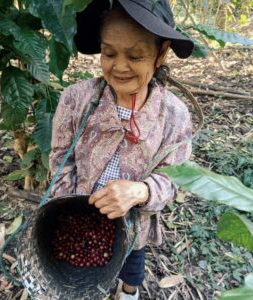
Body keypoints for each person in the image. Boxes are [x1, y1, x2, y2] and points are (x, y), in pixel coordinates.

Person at [49, 0, 194, 299]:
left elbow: (175, 177)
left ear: (161, 52)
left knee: (132, 266)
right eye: (109, 53)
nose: (120, 66)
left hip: (133, 222)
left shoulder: (175, 116)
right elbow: (60, 160)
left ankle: (129, 292)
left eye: (136, 55)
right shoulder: (76, 100)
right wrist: (75, 214)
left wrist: (141, 192)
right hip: (81, 216)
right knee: (81, 268)